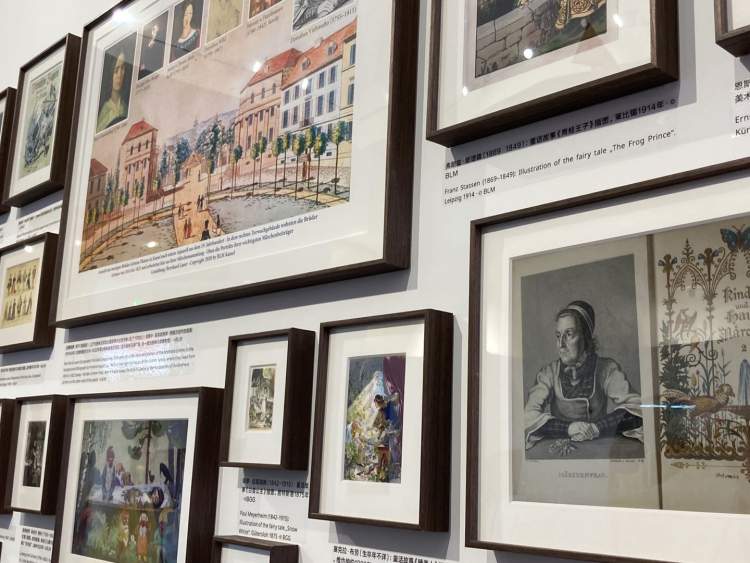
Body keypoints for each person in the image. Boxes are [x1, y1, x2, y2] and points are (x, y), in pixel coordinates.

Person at [523, 300, 643, 449]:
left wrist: (597, 428)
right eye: (558, 336)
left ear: (585, 337)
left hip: (599, 449)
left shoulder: (606, 369)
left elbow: (638, 408)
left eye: (569, 334)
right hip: (561, 450)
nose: (561, 344)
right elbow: (528, 416)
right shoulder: (548, 373)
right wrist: (568, 428)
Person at [97, 50, 129, 132]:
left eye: (122, 69)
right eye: (116, 70)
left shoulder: (125, 107)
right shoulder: (104, 111)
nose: (119, 75)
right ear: (110, 72)